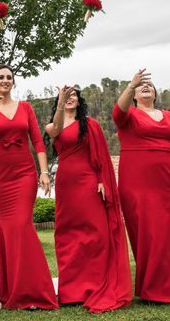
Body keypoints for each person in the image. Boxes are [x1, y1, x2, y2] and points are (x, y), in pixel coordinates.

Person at [113, 69, 170, 303]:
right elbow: (117, 112)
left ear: (155, 93)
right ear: (133, 94)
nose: (146, 87)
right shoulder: (128, 115)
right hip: (137, 182)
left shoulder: (169, 115)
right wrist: (130, 84)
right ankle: (156, 289)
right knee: (150, 233)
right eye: (140, 87)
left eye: (150, 86)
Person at [45, 86, 131, 312]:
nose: (70, 98)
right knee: (68, 234)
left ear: (80, 101)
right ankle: (71, 291)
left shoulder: (90, 125)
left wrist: (102, 180)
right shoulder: (53, 125)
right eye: (66, 96)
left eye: (74, 96)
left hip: (88, 182)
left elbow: (101, 154)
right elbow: (55, 131)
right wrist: (61, 104)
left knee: (95, 233)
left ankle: (94, 286)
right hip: (65, 184)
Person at [0, 64, 57, 310]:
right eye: (0, 77)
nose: (5, 80)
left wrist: (44, 172)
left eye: (9, 77)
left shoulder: (25, 108)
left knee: (22, 225)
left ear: (13, 82)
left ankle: (33, 291)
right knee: (10, 229)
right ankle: (15, 289)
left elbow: (38, 141)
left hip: (24, 173)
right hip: (0, 176)